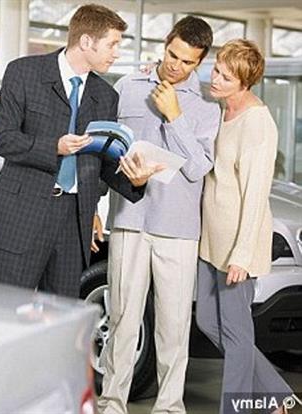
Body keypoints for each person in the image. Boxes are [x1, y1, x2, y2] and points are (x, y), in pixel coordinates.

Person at [0, 4, 158, 298]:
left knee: (62, 313)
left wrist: (136, 180)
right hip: (22, 216)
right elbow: (3, 138)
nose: (117, 53)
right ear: (86, 41)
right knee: (5, 309)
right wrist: (54, 147)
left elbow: (104, 164)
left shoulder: (105, 96)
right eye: (112, 44)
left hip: (73, 221)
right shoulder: (24, 73)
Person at [98, 16, 221, 413]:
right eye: (172, 55)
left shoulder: (207, 105)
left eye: (187, 62)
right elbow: (108, 150)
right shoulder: (128, 87)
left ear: (200, 61)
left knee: (173, 327)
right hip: (129, 220)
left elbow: (199, 167)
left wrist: (174, 115)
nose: (176, 66)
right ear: (166, 43)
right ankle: (111, 403)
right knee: (122, 319)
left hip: (178, 230)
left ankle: (169, 407)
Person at [198, 39, 300, 414]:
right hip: (211, 242)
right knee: (208, 322)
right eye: (216, 70)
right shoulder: (221, 108)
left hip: (237, 248)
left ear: (245, 83)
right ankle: (276, 395)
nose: (216, 79)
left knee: (237, 333)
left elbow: (256, 196)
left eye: (225, 77)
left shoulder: (258, 124)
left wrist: (241, 255)